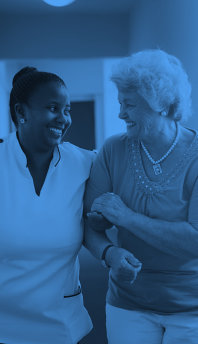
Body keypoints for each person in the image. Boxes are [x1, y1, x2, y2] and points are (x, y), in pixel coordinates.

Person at [84, 49, 198, 344]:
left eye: (129, 104)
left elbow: (194, 241)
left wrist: (125, 217)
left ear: (160, 104)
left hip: (192, 310)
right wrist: (110, 254)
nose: (121, 113)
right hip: (128, 304)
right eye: (121, 102)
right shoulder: (112, 150)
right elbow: (90, 225)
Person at [0, 66, 95, 344]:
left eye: (67, 110)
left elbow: (128, 155)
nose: (64, 119)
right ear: (21, 112)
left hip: (64, 325)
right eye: (53, 108)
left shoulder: (85, 163)